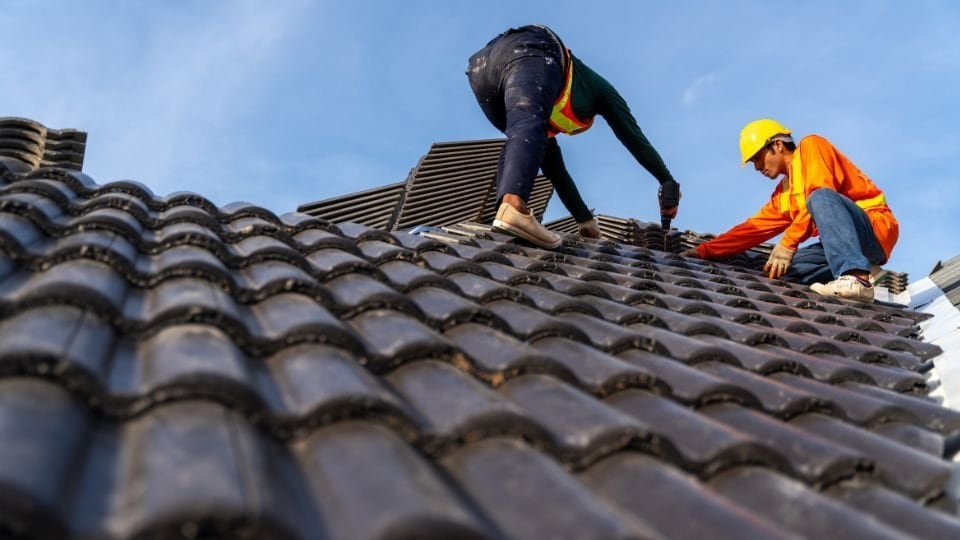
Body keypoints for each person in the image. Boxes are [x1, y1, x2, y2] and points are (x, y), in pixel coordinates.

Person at [466, 24, 680, 249]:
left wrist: (584, 220)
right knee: (529, 128)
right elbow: (633, 136)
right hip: (532, 48)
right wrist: (666, 180)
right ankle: (513, 206)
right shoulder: (599, 90)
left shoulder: (541, 114)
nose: (559, 131)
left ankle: (503, 216)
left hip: (481, 70)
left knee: (522, 141)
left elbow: (556, 171)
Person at [682, 119, 898, 302]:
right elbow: (751, 229)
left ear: (777, 145)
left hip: (873, 229)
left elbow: (821, 192)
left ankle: (857, 277)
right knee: (782, 271)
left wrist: (787, 243)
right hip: (841, 244)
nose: (757, 167)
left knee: (820, 196)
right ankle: (867, 272)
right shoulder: (783, 195)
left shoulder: (811, 146)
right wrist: (704, 251)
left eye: (757, 158)